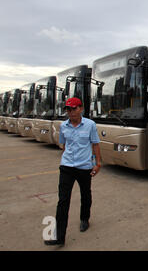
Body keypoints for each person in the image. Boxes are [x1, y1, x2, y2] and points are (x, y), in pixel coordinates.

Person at [44, 97, 101, 246]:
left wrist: (97, 163)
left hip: (84, 167)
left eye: (74, 109)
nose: (71, 112)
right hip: (67, 167)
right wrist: (65, 159)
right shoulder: (64, 126)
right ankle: (59, 237)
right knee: (63, 200)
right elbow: (64, 145)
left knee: (85, 194)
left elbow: (95, 144)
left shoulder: (90, 125)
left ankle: (84, 219)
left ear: (81, 109)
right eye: (68, 109)